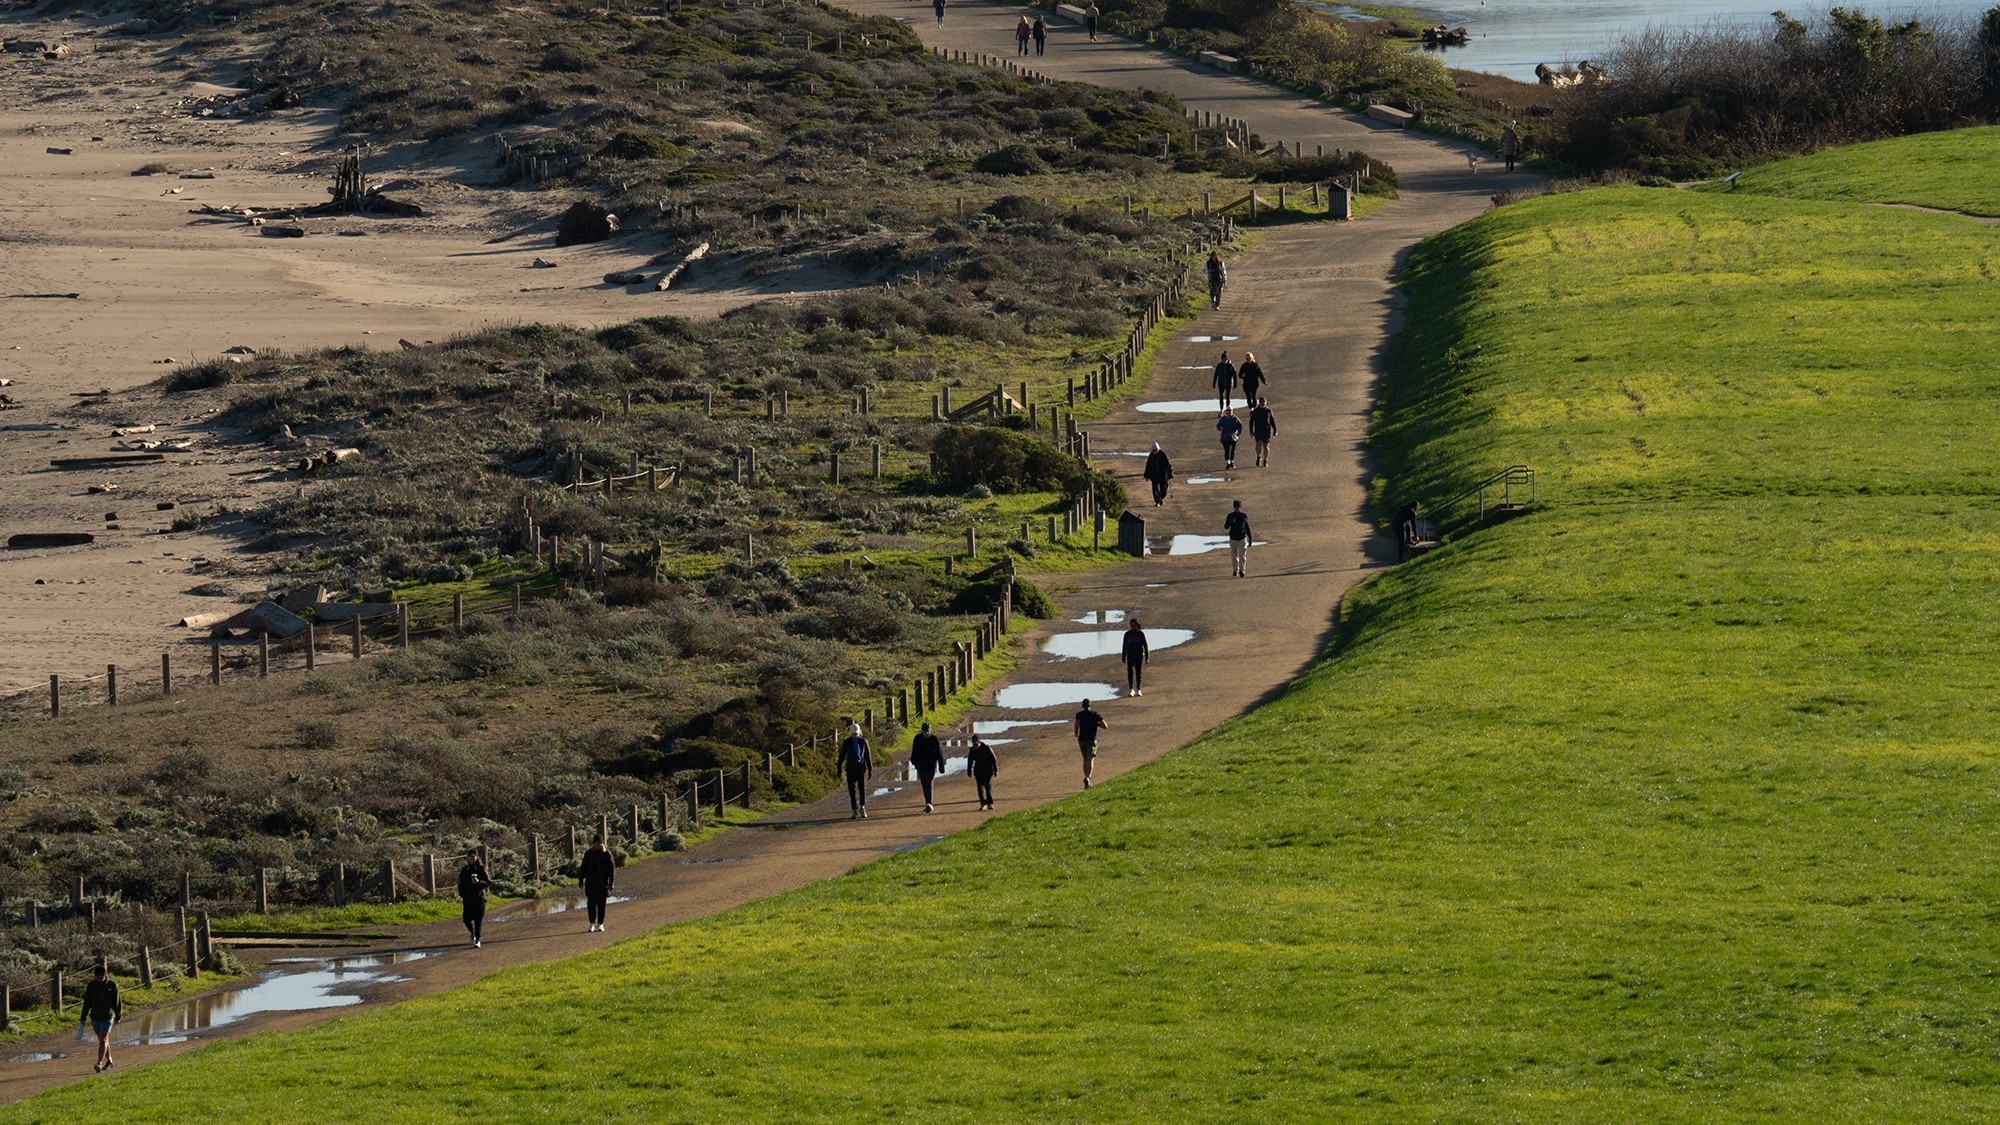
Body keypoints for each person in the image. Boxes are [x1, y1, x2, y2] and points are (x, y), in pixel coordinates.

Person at [81, 962, 121, 1073]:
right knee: (102, 1040)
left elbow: (117, 1002)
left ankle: (99, 1063)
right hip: (95, 1017)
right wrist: (83, 1016)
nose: (100, 980)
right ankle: (110, 1061)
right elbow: (87, 1002)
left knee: (103, 1039)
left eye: (101, 978)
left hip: (107, 1017)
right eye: (97, 978)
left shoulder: (112, 986)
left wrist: (118, 1015)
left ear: (105, 975)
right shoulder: (91, 986)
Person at [580, 835, 615, 933]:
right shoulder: (589, 854)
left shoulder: (607, 854)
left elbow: (612, 869)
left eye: (599, 843)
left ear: (602, 844)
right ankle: (591, 923)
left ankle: (600, 924)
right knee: (591, 904)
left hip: (603, 884)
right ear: (593, 844)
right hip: (591, 883)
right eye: (595, 843)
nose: (597, 845)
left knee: (601, 905)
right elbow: (583, 867)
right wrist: (580, 879)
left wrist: (611, 882)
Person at [457, 852, 492, 948]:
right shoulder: (464, 870)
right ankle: (472, 934)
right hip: (467, 899)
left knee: (478, 920)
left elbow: (488, 882)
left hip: (479, 899)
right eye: (470, 857)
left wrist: (479, 882)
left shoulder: (481, 869)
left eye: (473, 857)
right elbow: (459, 883)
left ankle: (477, 940)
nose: (472, 858)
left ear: (477, 857)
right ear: (467, 858)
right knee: (466, 919)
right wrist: (462, 894)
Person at [838, 721, 873, 818]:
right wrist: (839, 768)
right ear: (850, 733)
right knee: (852, 791)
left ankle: (862, 807)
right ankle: (854, 809)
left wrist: (870, 769)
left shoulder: (864, 741)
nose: (855, 735)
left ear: (859, 733)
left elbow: (868, 756)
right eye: (853, 734)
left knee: (862, 789)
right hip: (850, 769)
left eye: (856, 734)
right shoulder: (847, 742)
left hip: (860, 768)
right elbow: (841, 756)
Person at [910, 721, 945, 813]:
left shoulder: (934, 739)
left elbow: (940, 753)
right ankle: (927, 803)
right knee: (924, 785)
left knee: (929, 783)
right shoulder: (917, 739)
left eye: (928, 731)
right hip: (920, 766)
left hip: (931, 766)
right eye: (925, 731)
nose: (927, 733)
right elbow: (914, 752)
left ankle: (929, 803)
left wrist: (941, 767)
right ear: (922, 731)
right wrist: (914, 762)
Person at [1072, 699, 1107, 788]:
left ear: (1082, 706)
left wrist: (1076, 733)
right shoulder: (1095, 715)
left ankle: (1086, 777)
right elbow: (1105, 726)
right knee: (1090, 760)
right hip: (1092, 739)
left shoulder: (1079, 715)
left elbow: (1076, 725)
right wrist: (1097, 724)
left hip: (1082, 740)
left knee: (1085, 759)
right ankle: (1088, 778)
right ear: (1090, 705)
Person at [968, 735, 998, 810]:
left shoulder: (987, 748)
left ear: (980, 742)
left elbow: (994, 759)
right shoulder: (972, 751)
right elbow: (970, 761)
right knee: (979, 788)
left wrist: (996, 770)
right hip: (978, 771)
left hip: (988, 770)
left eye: (976, 744)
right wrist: (969, 771)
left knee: (987, 786)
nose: (975, 746)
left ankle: (990, 803)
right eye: (974, 744)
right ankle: (983, 803)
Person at [1224, 499, 1251, 577]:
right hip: (1233, 539)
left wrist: (1250, 537)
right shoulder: (1230, 516)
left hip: (1242, 538)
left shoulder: (1243, 516)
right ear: (1234, 507)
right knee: (1234, 556)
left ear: (1240, 507)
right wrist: (1230, 522)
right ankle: (1235, 570)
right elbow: (1226, 526)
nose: (1237, 508)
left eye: (1238, 507)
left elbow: (1247, 527)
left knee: (1242, 555)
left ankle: (1242, 571)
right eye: (1236, 507)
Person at [1122, 619, 1149, 697]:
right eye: (1131, 626)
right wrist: (1123, 657)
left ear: (1138, 626)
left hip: (1139, 655)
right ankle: (1131, 689)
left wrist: (1147, 657)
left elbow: (1145, 646)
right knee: (1130, 673)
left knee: (1138, 672)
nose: (1133, 627)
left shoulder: (1141, 634)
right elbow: (1124, 646)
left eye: (1134, 626)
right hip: (1130, 655)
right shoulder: (1127, 634)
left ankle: (1138, 689)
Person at [1143, 442, 1174, 506]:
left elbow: (1168, 466)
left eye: (1156, 450)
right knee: (1155, 489)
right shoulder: (1151, 456)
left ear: (1159, 449)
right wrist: (1146, 475)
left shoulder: (1163, 455)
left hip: (1162, 475)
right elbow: (1148, 466)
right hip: (1154, 475)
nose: (1155, 451)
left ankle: (1160, 498)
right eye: (1153, 450)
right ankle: (1157, 501)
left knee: (1164, 490)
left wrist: (1170, 474)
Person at [1249, 397, 1277, 467]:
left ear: (1266, 402)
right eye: (1261, 402)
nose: (1262, 403)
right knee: (1259, 444)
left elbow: (1272, 421)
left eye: (1264, 402)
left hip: (1267, 431)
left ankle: (1265, 460)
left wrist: (1275, 431)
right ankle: (1258, 457)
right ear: (1259, 403)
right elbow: (1251, 422)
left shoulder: (1269, 411)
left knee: (1266, 446)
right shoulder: (1255, 411)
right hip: (1258, 431)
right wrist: (1251, 431)